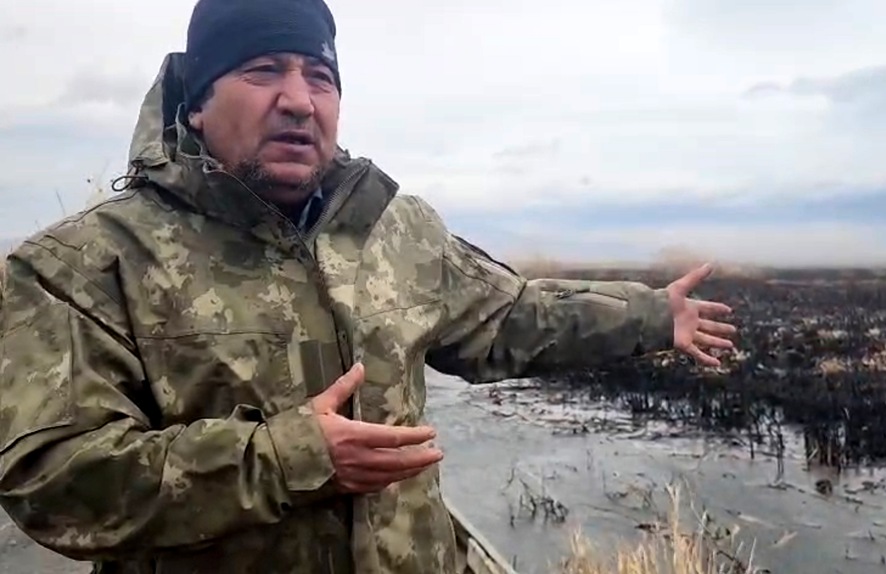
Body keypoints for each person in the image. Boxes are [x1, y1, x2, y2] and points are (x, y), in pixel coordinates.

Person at [0, 0, 736, 572]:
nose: (299, 100)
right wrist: (288, 457)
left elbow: (507, 315)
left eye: (319, 78)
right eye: (263, 70)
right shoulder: (80, 265)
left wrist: (647, 316)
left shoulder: (394, 227)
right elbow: (50, 480)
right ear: (196, 101)